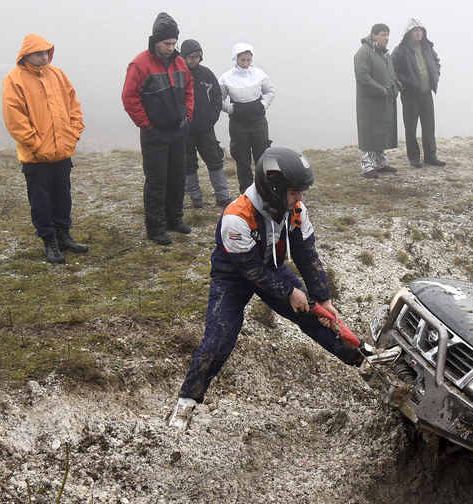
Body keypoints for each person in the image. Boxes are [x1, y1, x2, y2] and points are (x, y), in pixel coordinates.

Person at [169, 147, 373, 430]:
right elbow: (252, 271)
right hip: (233, 276)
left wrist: (322, 298)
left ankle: (363, 360)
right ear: (274, 189)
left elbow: (306, 253)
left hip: (272, 264)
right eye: (294, 191)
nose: (300, 197)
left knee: (319, 318)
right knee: (218, 339)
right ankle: (185, 403)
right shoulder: (236, 218)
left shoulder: (296, 210)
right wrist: (290, 293)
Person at [2, 34, 87, 265]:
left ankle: (63, 235)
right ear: (26, 54)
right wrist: (36, 143)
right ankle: (49, 240)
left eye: (46, 52)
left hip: (62, 152)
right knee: (40, 202)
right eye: (39, 53)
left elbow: (74, 106)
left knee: (63, 197)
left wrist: (73, 134)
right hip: (36, 157)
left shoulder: (58, 74)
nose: (44, 57)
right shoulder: (14, 79)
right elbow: (14, 118)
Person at [121, 12, 195, 245]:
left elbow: (190, 92)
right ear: (156, 41)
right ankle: (155, 228)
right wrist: (147, 125)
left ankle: (174, 219)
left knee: (177, 178)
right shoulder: (140, 64)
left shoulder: (180, 62)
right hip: (155, 134)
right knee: (156, 181)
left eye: (174, 43)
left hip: (178, 131)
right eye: (167, 43)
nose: (171, 48)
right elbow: (129, 98)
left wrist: (188, 116)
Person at [180, 39, 232, 210]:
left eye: (197, 56)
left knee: (215, 160)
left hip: (205, 129)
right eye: (191, 56)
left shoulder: (207, 74)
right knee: (188, 164)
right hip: (184, 130)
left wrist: (212, 117)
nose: (194, 59)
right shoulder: (177, 75)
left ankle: (223, 197)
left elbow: (217, 97)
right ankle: (196, 198)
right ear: (184, 56)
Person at [219, 43, 275, 195]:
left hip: (258, 122)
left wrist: (262, 105)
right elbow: (218, 99)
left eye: (248, 60)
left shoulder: (259, 75)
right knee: (242, 160)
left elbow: (270, 90)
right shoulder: (226, 78)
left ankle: (264, 190)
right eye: (242, 60)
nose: (245, 63)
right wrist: (232, 109)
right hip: (238, 124)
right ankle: (247, 193)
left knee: (262, 157)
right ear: (235, 59)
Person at [392, 18, 446, 168]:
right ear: (409, 33)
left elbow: (436, 61)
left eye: (420, 30)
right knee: (411, 127)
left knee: (429, 126)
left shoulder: (427, 47)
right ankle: (414, 157)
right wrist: (407, 84)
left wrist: (436, 74)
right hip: (410, 95)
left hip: (427, 93)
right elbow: (393, 70)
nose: (418, 33)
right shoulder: (400, 50)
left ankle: (430, 156)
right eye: (415, 30)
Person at [353, 23, 399, 179]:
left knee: (382, 130)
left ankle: (380, 163)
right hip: (369, 102)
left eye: (387, 35)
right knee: (370, 132)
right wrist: (381, 90)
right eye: (383, 35)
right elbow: (363, 78)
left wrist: (396, 87)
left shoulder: (384, 54)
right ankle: (367, 166)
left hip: (384, 100)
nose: (386, 38)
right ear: (374, 36)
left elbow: (391, 74)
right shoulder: (363, 53)